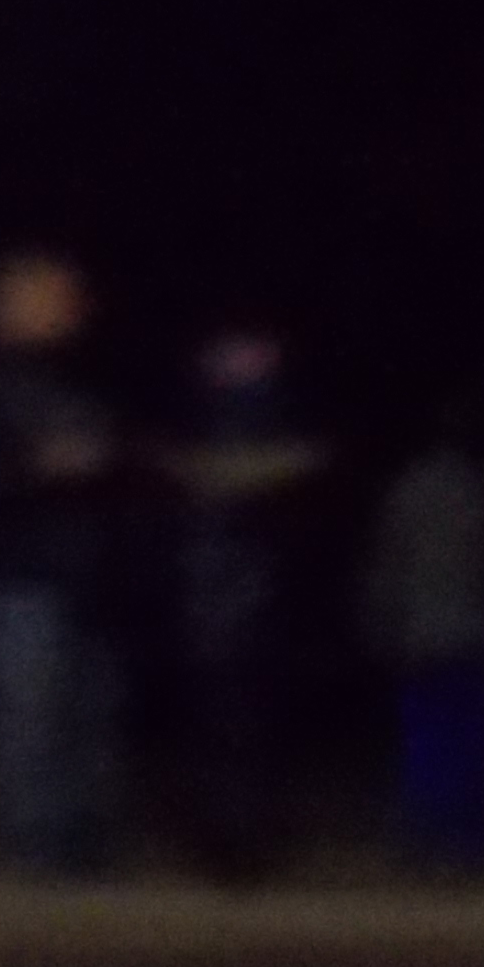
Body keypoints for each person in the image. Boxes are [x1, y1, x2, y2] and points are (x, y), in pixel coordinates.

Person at [0, 250, 126, 873]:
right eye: (47, 297)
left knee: (92, 717)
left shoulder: (84, 380)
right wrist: (33, 468)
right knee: (29, 718)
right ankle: (34, 848)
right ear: (5, 306)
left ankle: (86, 845)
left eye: (69, 297)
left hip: (92, 581)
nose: (67, 308)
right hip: (19, 579)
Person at [170, 319, 327, 881]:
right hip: (211, 596)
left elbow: (308, 465)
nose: (250, 362)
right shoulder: (193, 412)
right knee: (223, 723)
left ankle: (252, 836)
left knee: (261, 723)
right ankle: (231, 843)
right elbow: (197, 475)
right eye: (236, 352)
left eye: (257, 351)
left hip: (270, 596)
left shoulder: (285, 409)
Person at [362, 403, 484, 871]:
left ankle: (425, 841)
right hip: (469, 629)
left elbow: (388, 564)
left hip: (422, 631)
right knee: (465, 740)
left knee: (426, 742)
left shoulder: (411, 487)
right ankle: (463, 844)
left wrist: (381, 624)